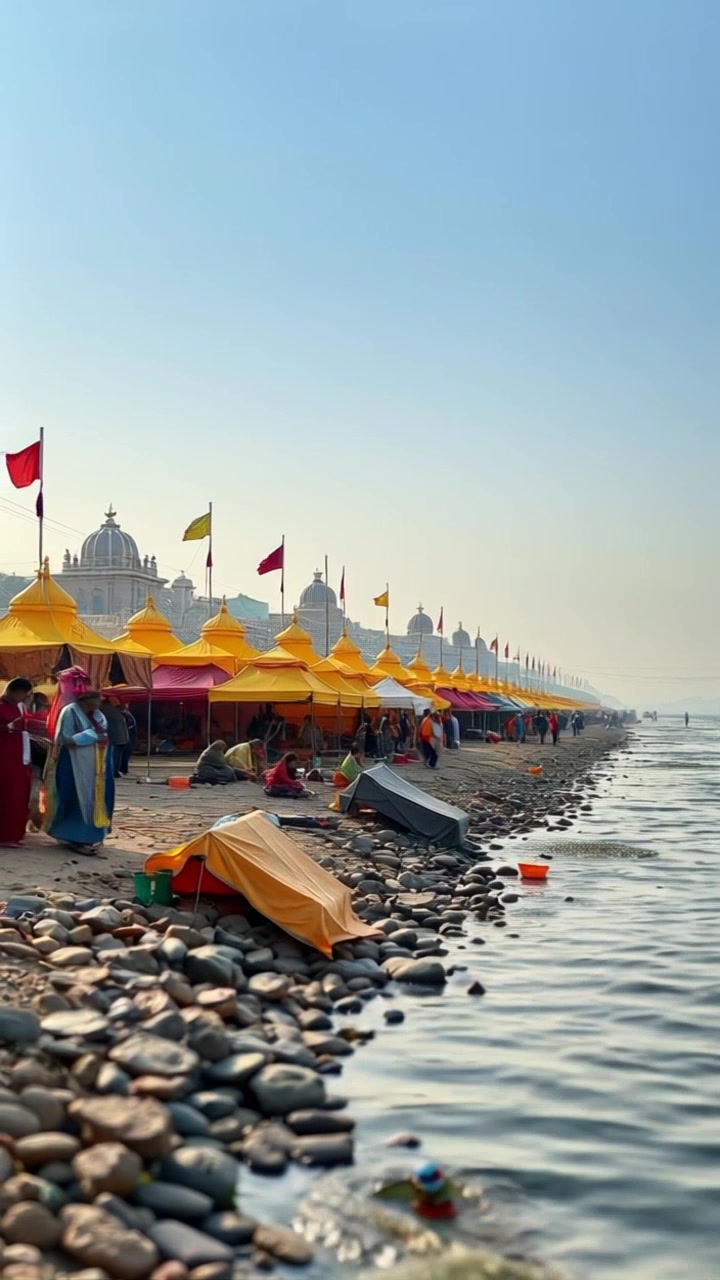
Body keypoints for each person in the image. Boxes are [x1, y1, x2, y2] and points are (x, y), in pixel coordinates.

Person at [44, 689, 114, 854]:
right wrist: (89, 736)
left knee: (97, 799)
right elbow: (64, 739)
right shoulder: (69, 712)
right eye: (97, 699)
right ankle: (73, 837)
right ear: (85, 700)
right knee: (74, 797)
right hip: (73, 764)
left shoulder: (98, 715)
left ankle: (92, 836)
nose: (100, 702)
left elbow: (103, 733)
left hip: (97, 765)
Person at [0, 678, 47, 848]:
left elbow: (25, 724)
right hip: (4, 758)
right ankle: (5, 835)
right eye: (22, 694)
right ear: (12, 691)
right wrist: (8, 728)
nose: (24, 697)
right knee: (7, 794)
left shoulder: (20, 707)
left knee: (20, 794)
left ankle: (15, 832)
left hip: (21, 757)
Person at [100, 698, 129, 778]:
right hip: (122, 737)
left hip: (114, 737)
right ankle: (116, 771)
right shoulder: (115, 710)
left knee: (114, 755)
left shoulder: (104, 710)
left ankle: (113, 771)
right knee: (118, 755)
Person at [118, 704, 137, 775]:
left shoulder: (125, 715)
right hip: (128, 737)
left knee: (124, 754)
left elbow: (127, 726)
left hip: (126, 737)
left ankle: (123, 769)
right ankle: (123, 768)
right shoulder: (127, 715)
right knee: (125, 754)